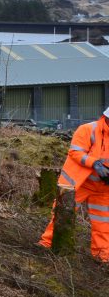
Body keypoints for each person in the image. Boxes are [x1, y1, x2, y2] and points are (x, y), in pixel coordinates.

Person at [39, 106, 109, 262]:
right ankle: (47, 244)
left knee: (104, 223)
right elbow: (75, 152)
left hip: (103, 189)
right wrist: (94, 163)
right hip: (79, 183)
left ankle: (102, 257)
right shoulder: (87, 130)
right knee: (62, 215)